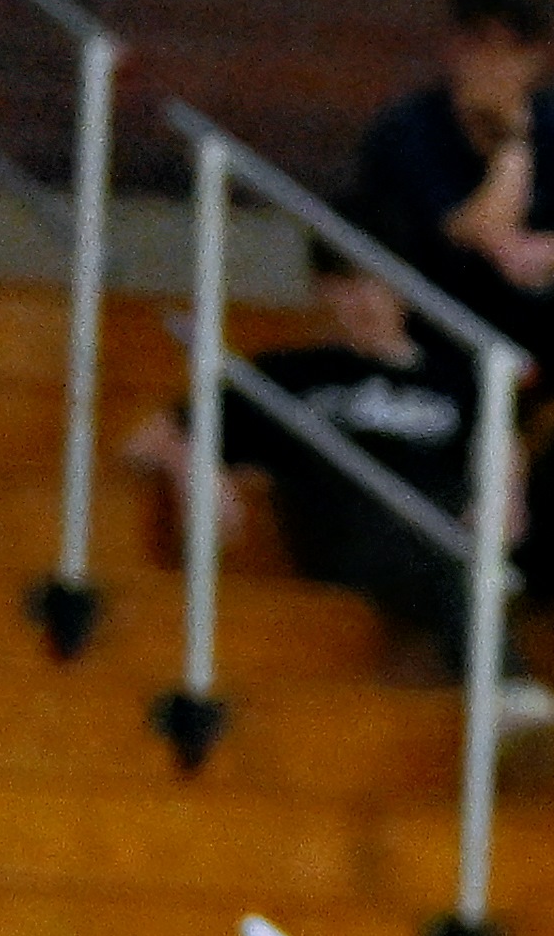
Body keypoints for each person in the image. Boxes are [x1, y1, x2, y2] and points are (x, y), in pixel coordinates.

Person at [119, 234, 524, 683]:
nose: (363, 301)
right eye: (345, 284)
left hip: (436, 527)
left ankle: (505, 696)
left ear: (404, 288)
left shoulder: (456, 381)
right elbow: (144, 440)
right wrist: (192, 466)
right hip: (345, 529)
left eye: (376, 283)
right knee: (443, 550)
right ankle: (508, 692)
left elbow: (505, 462)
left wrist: (505, 495)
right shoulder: (291, 374)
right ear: (322, 290)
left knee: (456, 541)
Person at [347, 0, 554, 390]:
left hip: (541, 300)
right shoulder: (410, 130)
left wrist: (543, 255)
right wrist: (513, 140)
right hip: (442, 308)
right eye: (485, 47)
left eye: (515, 51)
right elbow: (478, 232)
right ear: (455, 47)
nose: (499, 67)